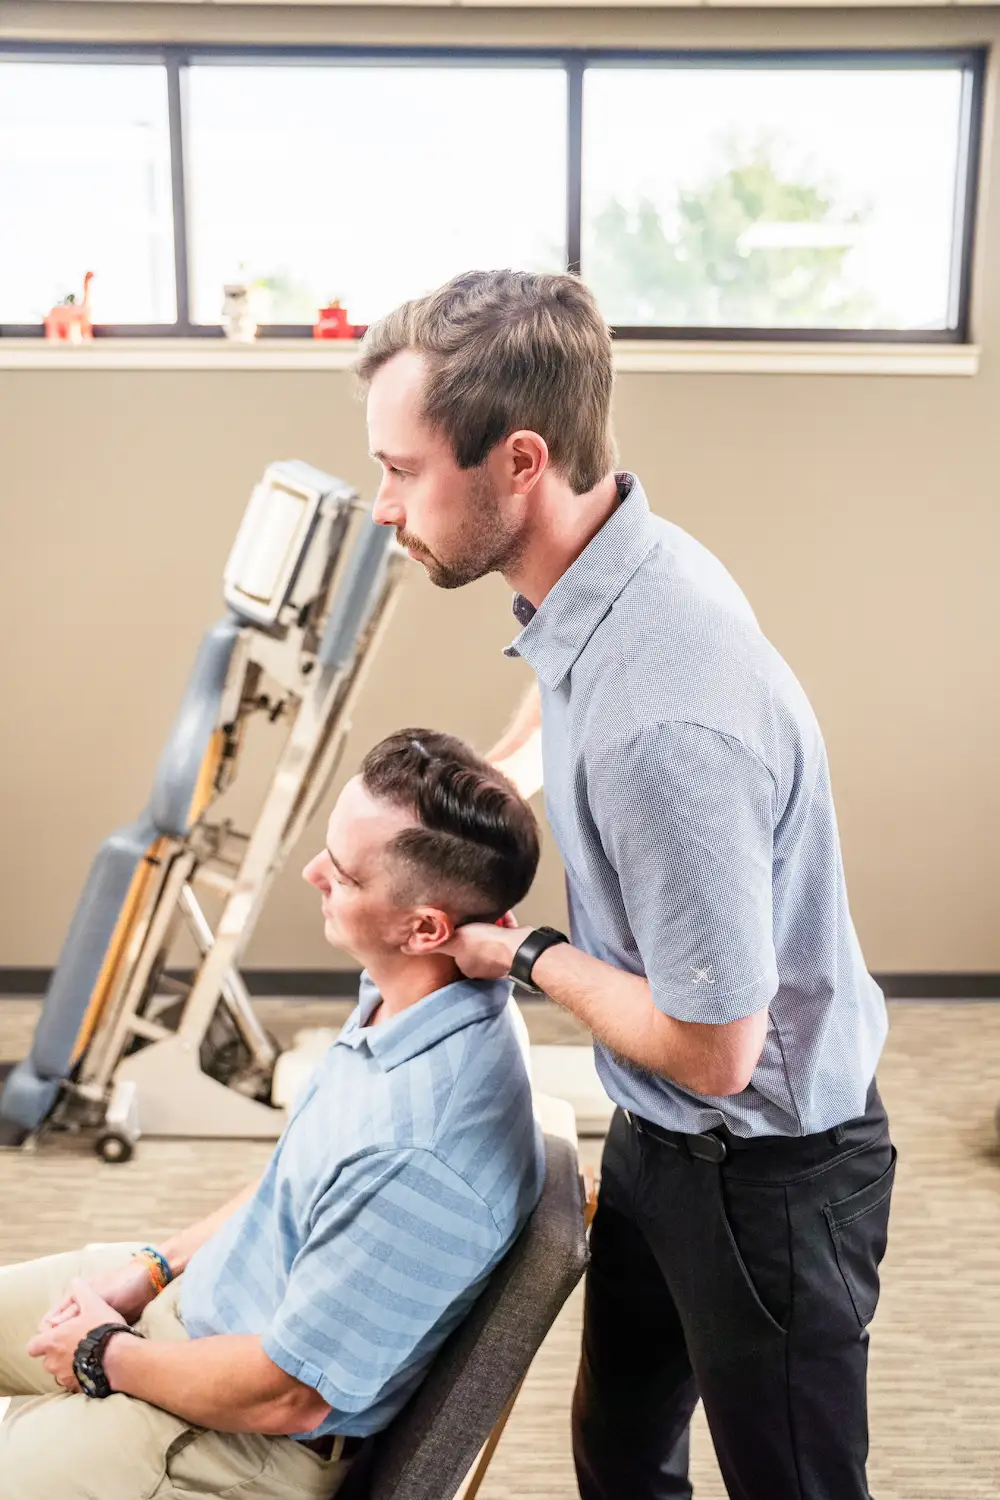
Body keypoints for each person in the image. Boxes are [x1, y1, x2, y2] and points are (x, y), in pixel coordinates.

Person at [356, 270, 896, 1500]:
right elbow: (565, 695)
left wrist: (524, 954)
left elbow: (712, 1051)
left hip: (765, 1169)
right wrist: (469, 805)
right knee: (619, 1452)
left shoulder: (664, 717)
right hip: (663, 1136)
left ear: (520, 460)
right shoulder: (617, 562)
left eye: (404, 469)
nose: (383, 505)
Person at [0, 729, 544, 1500]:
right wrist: (148, 1270)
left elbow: (288, 1393)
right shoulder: (412, 998)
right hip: (183, 1313)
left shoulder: (422, 1150)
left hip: (220, 1435)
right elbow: (291, 1184)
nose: (313, 872)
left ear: (424, 927)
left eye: (344, 875)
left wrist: (100, 1355)